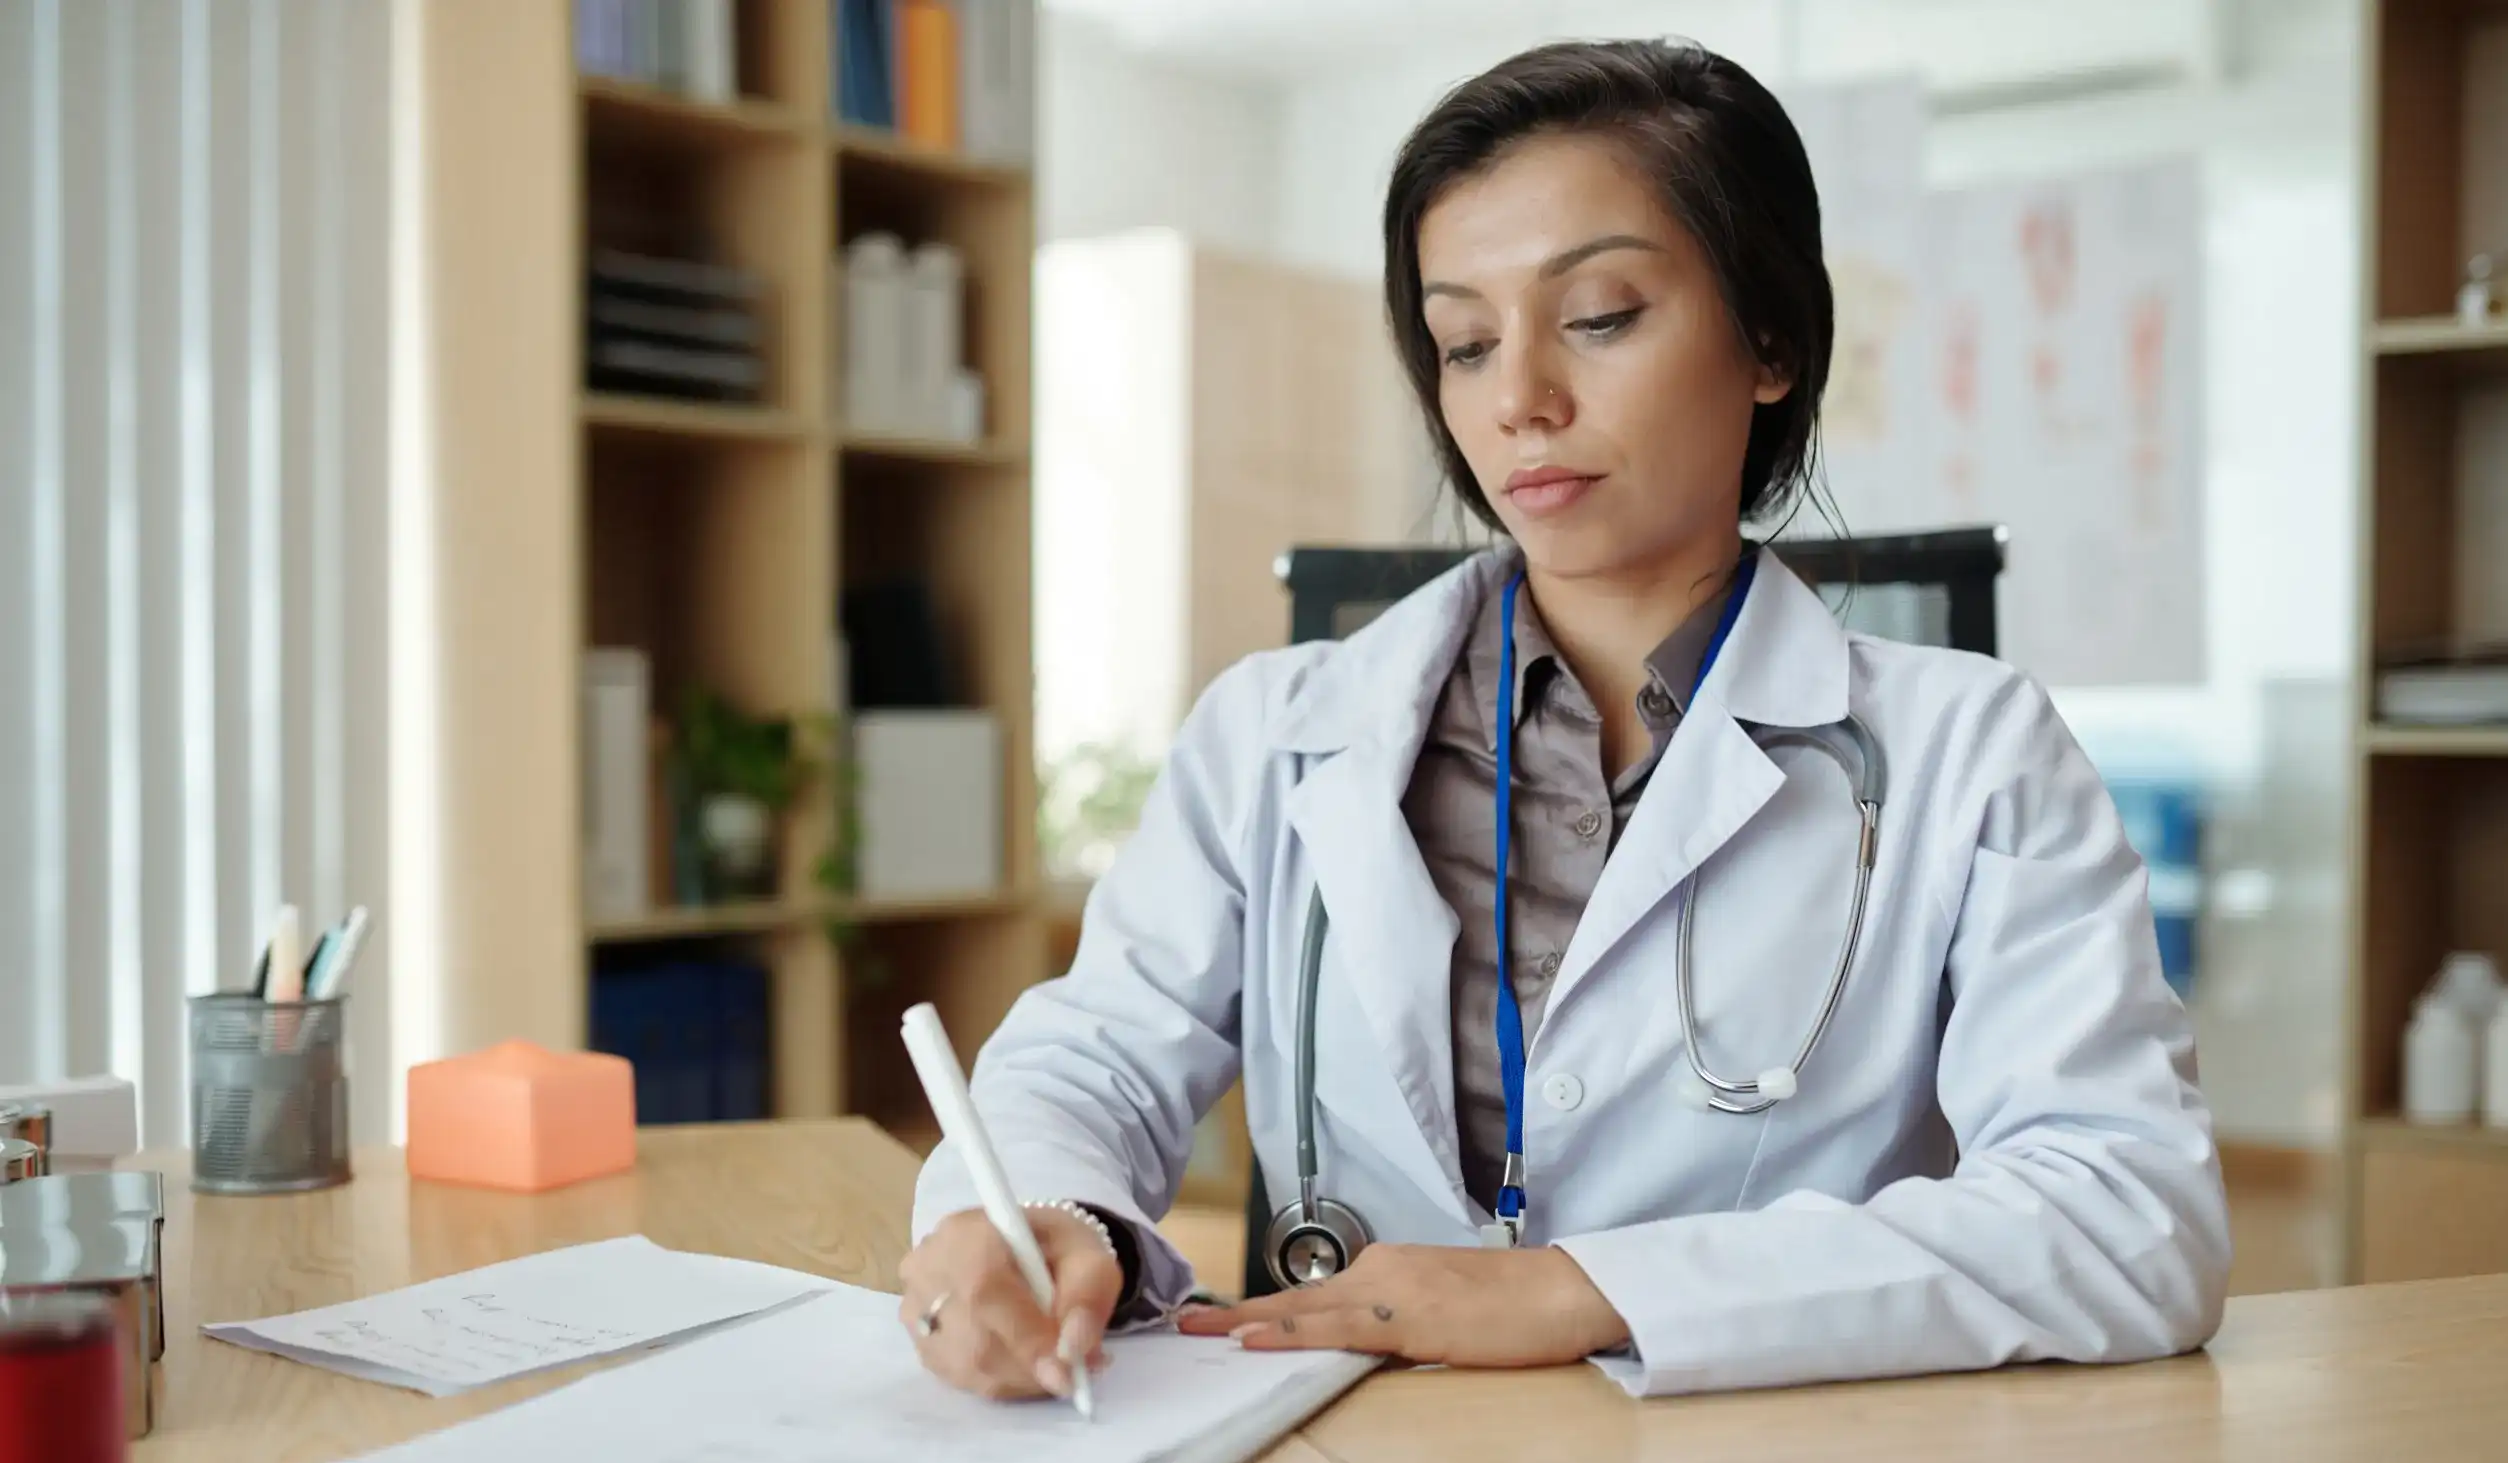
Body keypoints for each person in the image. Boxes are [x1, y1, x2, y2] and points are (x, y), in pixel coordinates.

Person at [899, 37, 2229, 1401]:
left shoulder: (1977, 750)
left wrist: (1578, 1288)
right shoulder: (1277, 731)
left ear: (1770, 338)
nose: (1517, 398)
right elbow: (1095, 1052)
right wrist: (1043, 1213)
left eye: (1597, 315)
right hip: (1363, 1433)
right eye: (1464, 340)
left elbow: (2130, 1215)